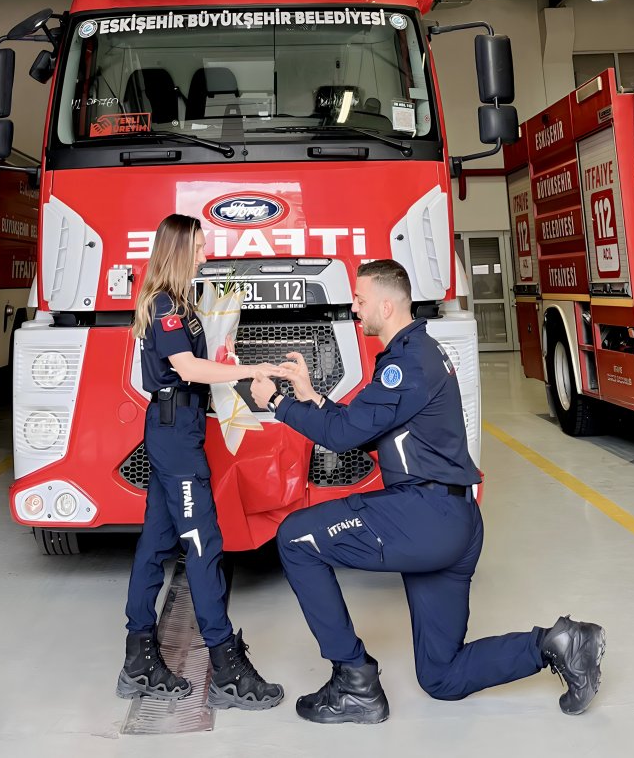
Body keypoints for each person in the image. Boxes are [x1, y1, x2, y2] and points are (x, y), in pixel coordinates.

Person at [251, 259, 606, 725]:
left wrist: (277, 404)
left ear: (385, 302)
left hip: (426, 515)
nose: (354, 308)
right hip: (450, 521)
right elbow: (361, 425)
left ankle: (353, 680)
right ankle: (560, 644)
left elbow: (344, 435)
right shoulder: (416, 354)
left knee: (296, 539)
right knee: (442, 676)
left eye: (359, 299)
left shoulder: (407, 364)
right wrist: (309, 395)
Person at [118, 213, 284, 711]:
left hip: (179, 427)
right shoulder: (166, 305)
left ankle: (138, 659)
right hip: (174, 434)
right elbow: (187, 368)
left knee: (156, 543)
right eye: (198, 247)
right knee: (204, 543)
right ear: (177, 250)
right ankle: (227, 671)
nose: (205, 254)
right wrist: (252, 367)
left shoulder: (181, 304)